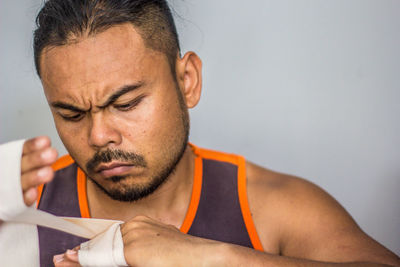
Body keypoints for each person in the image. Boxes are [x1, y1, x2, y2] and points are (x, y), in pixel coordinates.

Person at [15, 0, 400, 266]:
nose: (99, 136)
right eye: (72, 113)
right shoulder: (21, 206)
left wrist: (213, 258)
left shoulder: (275, 207)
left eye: (127, 103)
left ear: (187, 82)